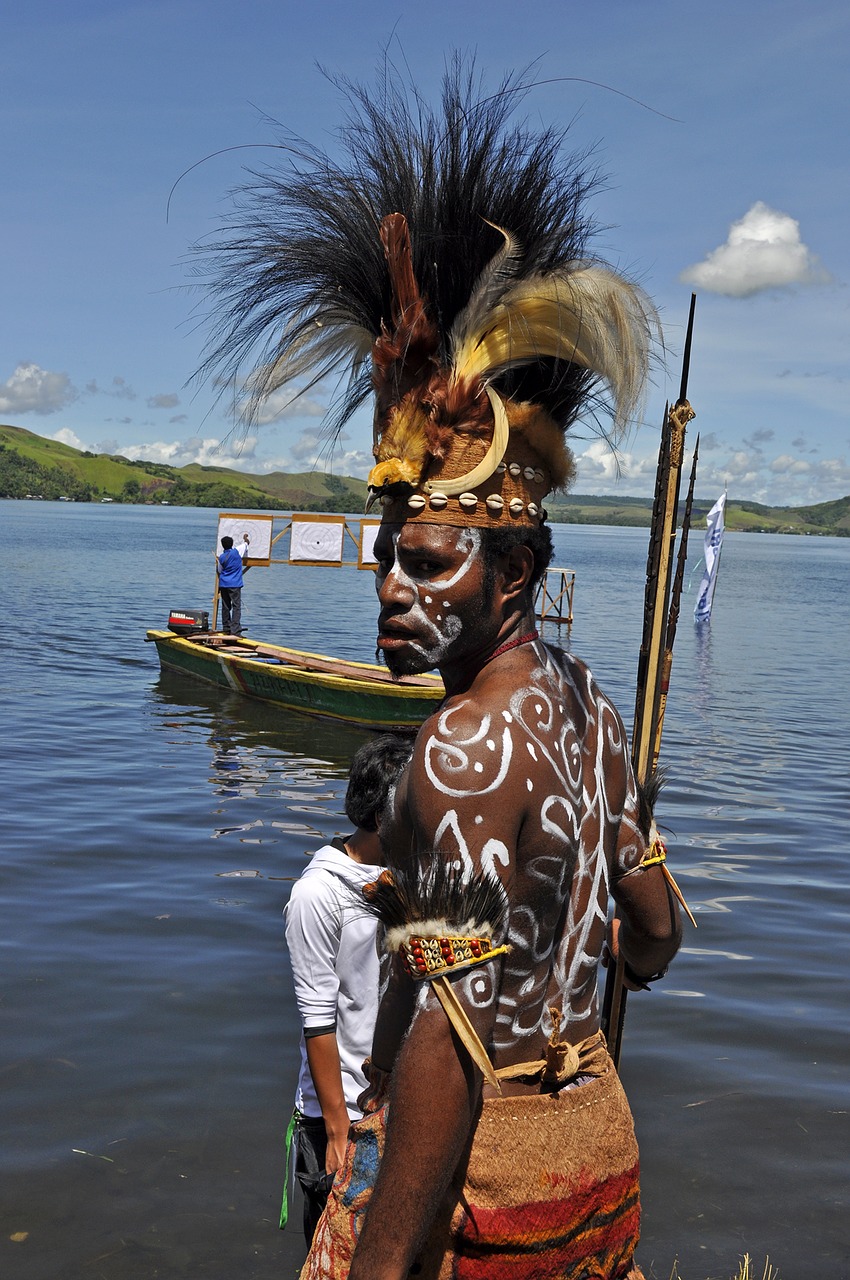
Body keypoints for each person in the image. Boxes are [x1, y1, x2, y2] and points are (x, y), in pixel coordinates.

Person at [199, 62, 683, 1280]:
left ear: (510, 573)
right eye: (384, 562)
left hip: (489, 1188)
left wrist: (374, 1257)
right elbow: (658, 937)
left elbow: (444, 1051)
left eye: (426, 563)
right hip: (604, 1159)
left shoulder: (459, 752)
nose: (391, 596)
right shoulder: (591, 706)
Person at [282, 733, 414, 1246]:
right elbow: (318, 1020)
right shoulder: (317, 895)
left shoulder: (405, 873)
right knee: (334, 1251)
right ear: (384, 817)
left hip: (397, 1099)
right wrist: (338, 1132)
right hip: (341, 1111)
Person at [216, 533, 249, 636]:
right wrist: (245, 538)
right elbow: (246, 543)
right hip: (234, 584)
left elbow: (219, 570)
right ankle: (235, 630)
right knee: (236, 606)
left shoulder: (221, 557)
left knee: (226, 606)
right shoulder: (237, 551)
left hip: (224, 583)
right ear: (232, 544)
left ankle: (226, 627)